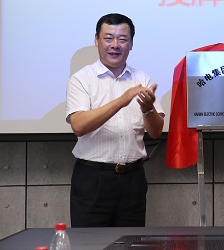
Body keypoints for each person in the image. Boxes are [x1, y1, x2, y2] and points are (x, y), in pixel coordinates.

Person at [65, 13, 164, 227]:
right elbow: (79, 126)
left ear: (131, 44)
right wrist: (122, 100)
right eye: (108, 38)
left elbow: (156, 132)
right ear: (96, 40)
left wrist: (148, 109)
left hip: (133, 180)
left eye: (122, 39)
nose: (115, 45)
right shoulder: (81, 79)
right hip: (93, 179)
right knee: (90, 242)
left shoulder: (142, 79)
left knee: (131, 241)